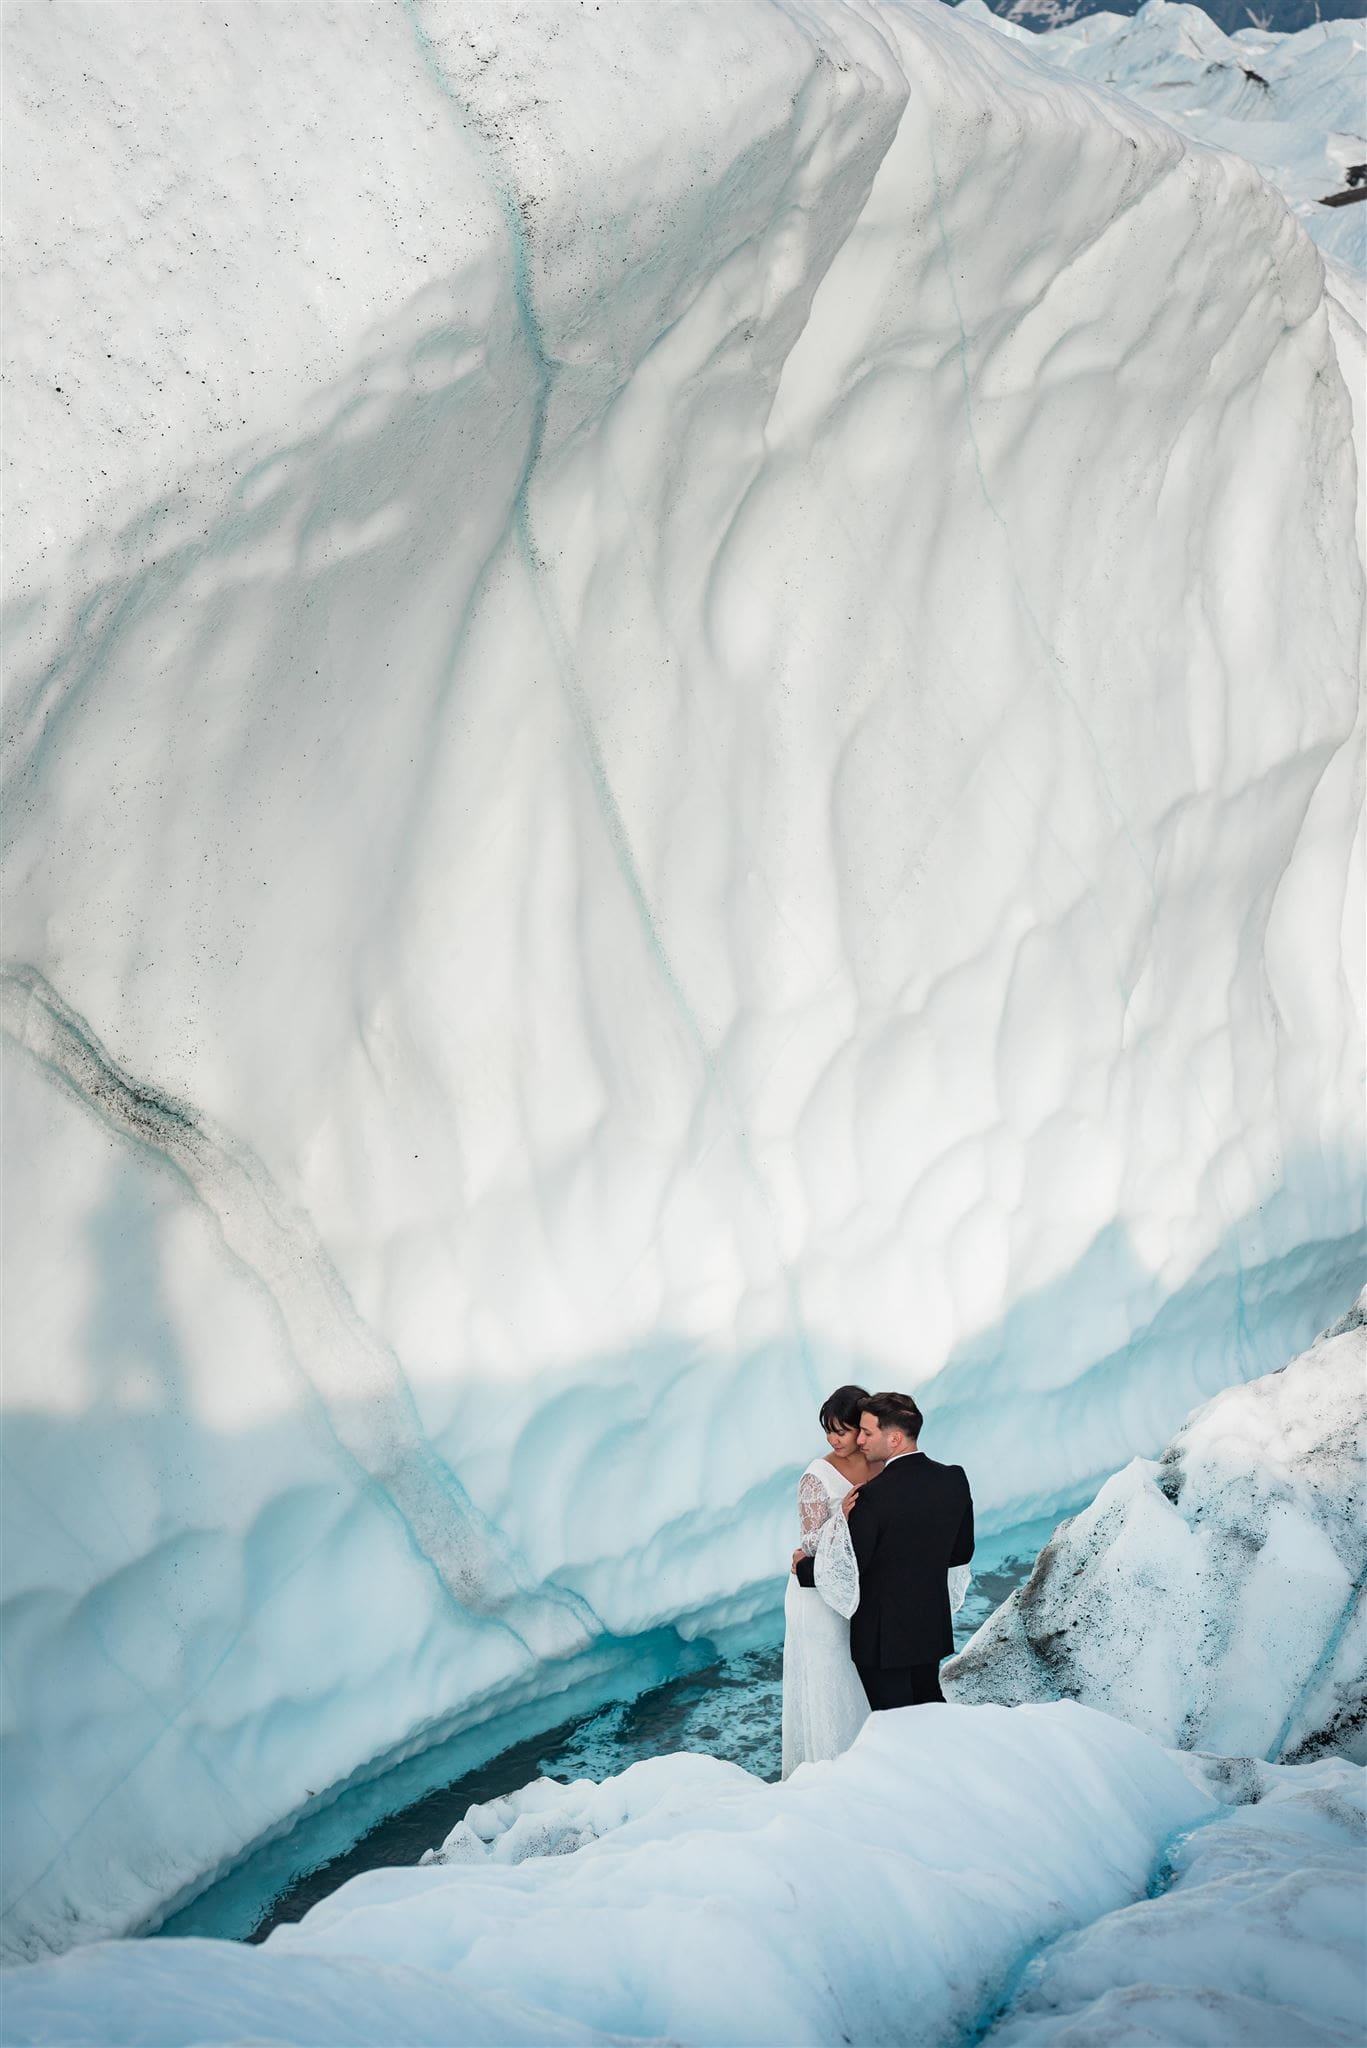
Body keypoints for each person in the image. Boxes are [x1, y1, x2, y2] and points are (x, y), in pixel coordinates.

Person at [842, 1391, 974, 1708]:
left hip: (881, 1640)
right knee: (930, 1711)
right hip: (929, 1626)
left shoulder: (871, 1498)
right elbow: (961, 1553)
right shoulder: (953, 1479)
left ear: (895, 1439)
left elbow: (850, 1568)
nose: (859, 1440)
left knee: (893, 1729)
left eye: (868, 1432)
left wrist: (803, 1565)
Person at [780, 1384, 882, 1779]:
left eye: (843, 1430)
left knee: (858, 1673)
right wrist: (842, 1513)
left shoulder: (880, 1464)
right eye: (829, 1431)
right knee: (828, 1675)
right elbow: (809, 1543)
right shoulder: (816, 1475)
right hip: (817, 1596)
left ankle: (868, 1763)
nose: (834, 1440)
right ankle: (829, 1773)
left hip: (860, 1589)